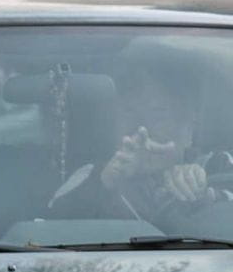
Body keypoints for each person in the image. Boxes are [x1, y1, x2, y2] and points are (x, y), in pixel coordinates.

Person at [48, 60, 232, 229]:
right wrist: (104, 184)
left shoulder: (220, 165)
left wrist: (205, 196)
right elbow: (48, 229)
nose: (142, 128)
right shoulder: (93, 174)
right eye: (129, 113)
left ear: (190, 125)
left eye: (159, 114)